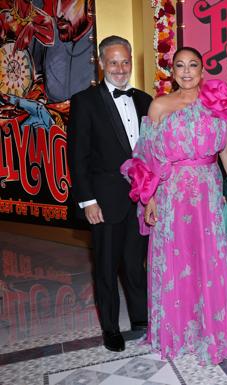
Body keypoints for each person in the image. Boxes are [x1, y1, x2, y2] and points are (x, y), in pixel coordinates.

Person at [120, 46, 227, 365]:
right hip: (171, 194)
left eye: (193, 65)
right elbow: (146, 157)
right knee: (175, 263)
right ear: (172, 72)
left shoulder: (216, 101)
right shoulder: (159, 105)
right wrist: (149, 198)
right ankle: (178, 330)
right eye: (180, 66)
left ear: (203, 70)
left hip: (208, 191)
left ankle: (212, 328)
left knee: (211, 260)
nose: (187, 71)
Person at [67, 35, 150, 352]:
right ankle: (111, 328)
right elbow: (78, 156)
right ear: (101, 63)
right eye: (113, 61)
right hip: (103, 201)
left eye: (125, 61)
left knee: (134, 263)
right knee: (105, 266)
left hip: (140, 200)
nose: (120, 67)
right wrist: (88, 200)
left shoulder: (144, 99)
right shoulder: (85, 101)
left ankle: (141, 319)